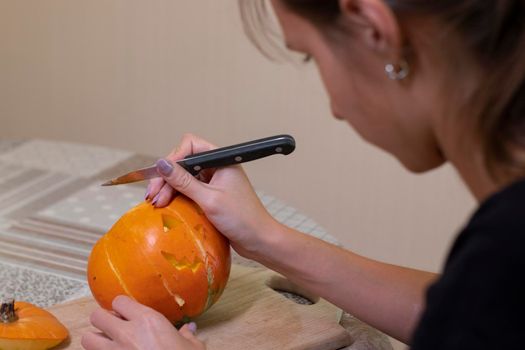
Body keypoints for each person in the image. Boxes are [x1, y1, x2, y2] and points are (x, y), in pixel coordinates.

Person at [81, 0, 525, 349]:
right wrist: (266, 238)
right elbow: (475, 315)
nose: (334, 108)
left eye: (311, 56)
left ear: (375, 30)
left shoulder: (505, 247)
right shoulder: (497, 268)